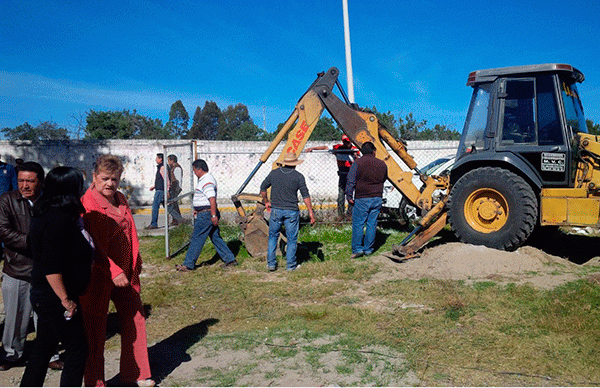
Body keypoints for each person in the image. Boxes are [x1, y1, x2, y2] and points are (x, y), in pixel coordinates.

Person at [79, 155, 154, 387]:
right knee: (95, 327)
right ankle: (95, 381)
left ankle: (137, 373)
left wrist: (135, 261)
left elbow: (130, 231)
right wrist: (112, 270)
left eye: (115, 178)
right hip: (98, 274)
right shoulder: (87, 203)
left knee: (136, 319)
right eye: (105, 178)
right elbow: (91, 244)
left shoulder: (121, 198)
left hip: (126, 272)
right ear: (94, 177)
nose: (110, 183)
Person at [20, 167, 93, 387]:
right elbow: (51, 266)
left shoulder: (49, 213)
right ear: (70, 188)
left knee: (43, 347)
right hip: (55, 297)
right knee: (78, 349)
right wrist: (65, 299)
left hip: (47, 295)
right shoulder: (57, 218)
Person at [0, 162, 53, 371]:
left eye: (30, 181)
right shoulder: (6, 201)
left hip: (47, 269)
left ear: (40, 181)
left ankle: (50, 354)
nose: (25, 185)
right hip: (17, 268)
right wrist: (34, 242)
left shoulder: (50, 201)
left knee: (47, 315)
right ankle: (12, 354)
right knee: (15, 315)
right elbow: (4, 232)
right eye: (21, 180)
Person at [176, 159, 237, 272]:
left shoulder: (207, 180)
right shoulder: (204, 179)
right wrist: (198, 209)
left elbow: (212, 199)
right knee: (215, 237)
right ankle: (230, 259)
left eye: (195, 170)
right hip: (204, 212)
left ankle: (188, 264)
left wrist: (213, 215)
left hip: (206, 215)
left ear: (199, 169)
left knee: (196, 238)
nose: (194, 173)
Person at [260, 153, 316, 272]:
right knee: (291, 239)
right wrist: (310, 211)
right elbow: (305, 195)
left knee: (273, 237)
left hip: (276, 210)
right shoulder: (299, 176)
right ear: (295, 164)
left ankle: (271, 264)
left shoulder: (274, 173)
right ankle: (290, 265)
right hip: (292, 211)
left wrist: (266, 201)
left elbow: (263, 188)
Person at [345, 142, 388, 258]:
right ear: (374, 151)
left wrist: (349, 195)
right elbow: (384, 178)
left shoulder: (357, 163)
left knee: (358, 224)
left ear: (362, 151)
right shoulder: (382, 164)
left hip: (362, 197)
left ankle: (357, 249)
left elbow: (350, 180)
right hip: (377, 197)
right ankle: (368, 249)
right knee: (372, 224)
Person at [306, 135, 359, 217]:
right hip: (342, 174)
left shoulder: (355, 149)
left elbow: (360, 161)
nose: (346, 144)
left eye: (347, 142)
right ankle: (340, 215)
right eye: (344, 142)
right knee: (341, 196)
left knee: (351, 195)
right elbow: (325, 147)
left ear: (351, 142)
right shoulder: (338, 147)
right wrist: (313, 148)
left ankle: (350, 215)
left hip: (352, 175)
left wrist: (355, 156)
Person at [145, 153, 167, 230]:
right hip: (159, 189)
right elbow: (161, 179)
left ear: (160, 159)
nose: (155, 159)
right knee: (168, 207)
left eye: (157, 158)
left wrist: (167, 190)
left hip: (160, 190)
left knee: (155, 207)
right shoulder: (161, 167)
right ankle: (178, 220)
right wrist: (154, 186)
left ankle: (154, 224)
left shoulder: (163, 167)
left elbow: (166, 180)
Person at [166, 154, 184, 226]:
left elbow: (178, 180)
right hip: (174, 188)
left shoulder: (177, 168)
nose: (168, 162)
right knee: (174, 204)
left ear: (172, 160)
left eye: (168, 160)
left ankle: (179, 219)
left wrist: (176, 189)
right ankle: (175, 220)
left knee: (171, 204)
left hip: (175, 188)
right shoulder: (172, 167)